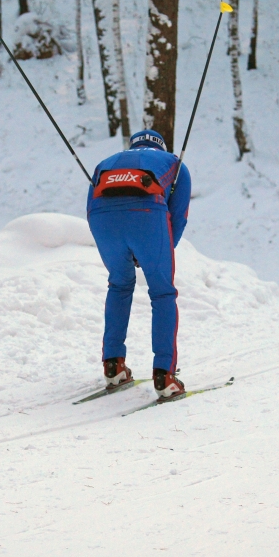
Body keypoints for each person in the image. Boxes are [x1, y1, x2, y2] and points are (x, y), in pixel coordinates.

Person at [86, 129, 192, 399]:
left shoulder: (106, 162)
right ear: (161, 145)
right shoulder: (174, 164)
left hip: (102, 220)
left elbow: (91, 207)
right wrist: (158, 252)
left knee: (119, 286)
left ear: (131, 146)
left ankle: (113, 366)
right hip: (147, 216)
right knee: (162, 292)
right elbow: (177, 218)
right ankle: (164, 377)